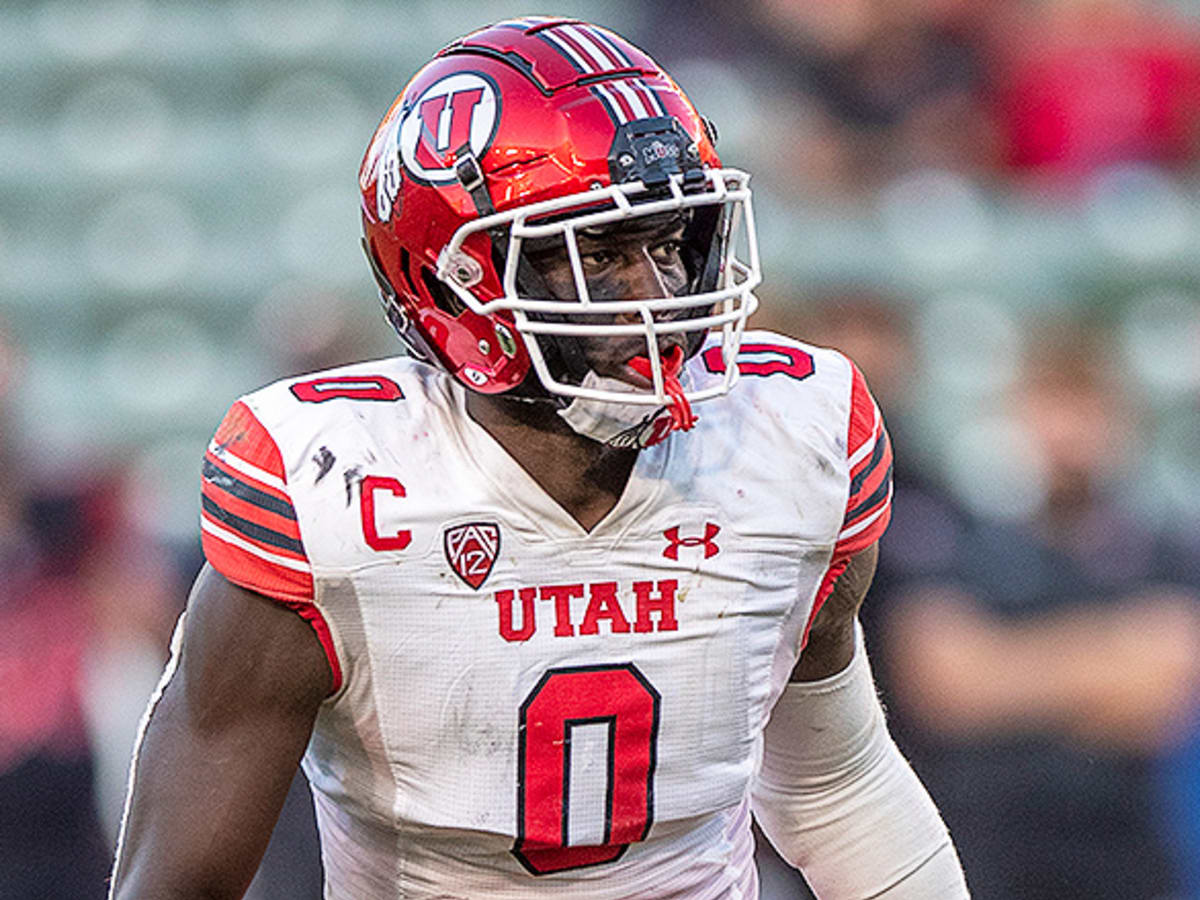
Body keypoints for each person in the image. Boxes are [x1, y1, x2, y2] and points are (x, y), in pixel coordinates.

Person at [109, 18, 968, 899]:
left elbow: (835, 786)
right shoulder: (334, 491)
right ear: (455, 280)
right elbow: (178, 883)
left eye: (668, 243)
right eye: (597, 255)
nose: (657, 296)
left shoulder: (790, 440)